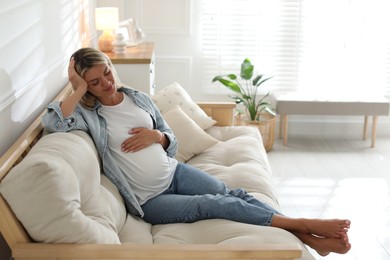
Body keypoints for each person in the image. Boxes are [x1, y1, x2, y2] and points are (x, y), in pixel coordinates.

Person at [42, 47, 351, 257]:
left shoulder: (135, 97)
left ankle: (309, 238)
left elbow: (172, 140)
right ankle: (306, 226)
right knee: (212, 203)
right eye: (94, 82)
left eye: (107, 73)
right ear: (85, 85)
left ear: (111, 67)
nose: (106, 83)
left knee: (236, 194)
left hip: (174, 172)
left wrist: (157, 137)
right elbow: (53, 123)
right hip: (150, 200)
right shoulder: (88, 114)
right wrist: (77, 89)